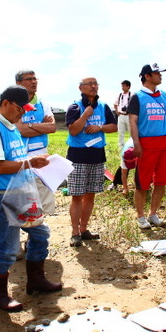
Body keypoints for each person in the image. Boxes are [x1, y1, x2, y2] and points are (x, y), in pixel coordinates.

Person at [0, 85, 62, 312]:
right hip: (3, 195)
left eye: (25, 110)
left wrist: (34, 160)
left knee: (40, 232)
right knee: (7, 246)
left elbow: (16, 156)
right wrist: (29, 163)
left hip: (20, 191)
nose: (22, 114)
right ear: (5, 103)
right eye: (19, 108)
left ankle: (36, 280)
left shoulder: (12, 127)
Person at [65, 77, 117, 247]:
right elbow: (73, 131)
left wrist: (99, 127)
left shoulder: (103, 106)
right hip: (78, 156)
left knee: (91, 194)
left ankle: (84, 229)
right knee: (77, 196)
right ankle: (74, 232)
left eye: (96, 84)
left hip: (97, 155)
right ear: (81, 88)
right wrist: (85, 115)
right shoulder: (75, 107)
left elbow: (113, 127)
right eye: (90, 84)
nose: (94, 86)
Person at [129, 63, 166, 229]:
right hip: (147, 145)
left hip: (165, 143)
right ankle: (140, 216)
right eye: (157, 73)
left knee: (161, 181)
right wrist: (136, 144)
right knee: (142, 183)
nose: (160, 75)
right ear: (147, 76)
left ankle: (153, 213)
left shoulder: (164, 95)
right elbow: (133, 121)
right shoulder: (137, 96)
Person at [15, 70, 57, 215]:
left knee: (44, 198)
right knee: (25, 200)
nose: (34, 82)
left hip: (41, 154)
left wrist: (30, 126)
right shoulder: (15, 104)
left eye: (35, 79)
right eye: (29, 79)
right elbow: (21, 130)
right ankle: (31, 234)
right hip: (20, 156)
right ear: (18, 83)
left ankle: (40, 234)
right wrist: (41, 126)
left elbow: (52, 127)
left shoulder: (42, 103)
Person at [115, 80, 132, 193]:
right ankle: (121, 147)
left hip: (129, 115)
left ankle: (132, 145)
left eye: (124, 85)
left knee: (132, 133)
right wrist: (117, 111)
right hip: (121, 115)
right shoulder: (120, 95)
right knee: (120, 134)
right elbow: (115, 104)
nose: (122, 87)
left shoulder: (132, 95)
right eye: (121, 85)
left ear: (128, 86)